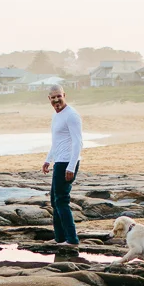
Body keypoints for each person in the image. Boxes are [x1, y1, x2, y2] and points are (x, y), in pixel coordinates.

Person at [41, 85, 83, 245]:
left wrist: (71, 166)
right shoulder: (56, 115)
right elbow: (57, 142)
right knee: (55, 200)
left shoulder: (71, 115)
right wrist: (48, 159)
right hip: (59, 161)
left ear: (64, 95)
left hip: (67, 162)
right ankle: (60, 238)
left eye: (59, 96)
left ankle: (71, 239)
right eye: (53, 97)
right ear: (49, 99)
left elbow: (78, 142)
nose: (56, 100)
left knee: (61, 200)